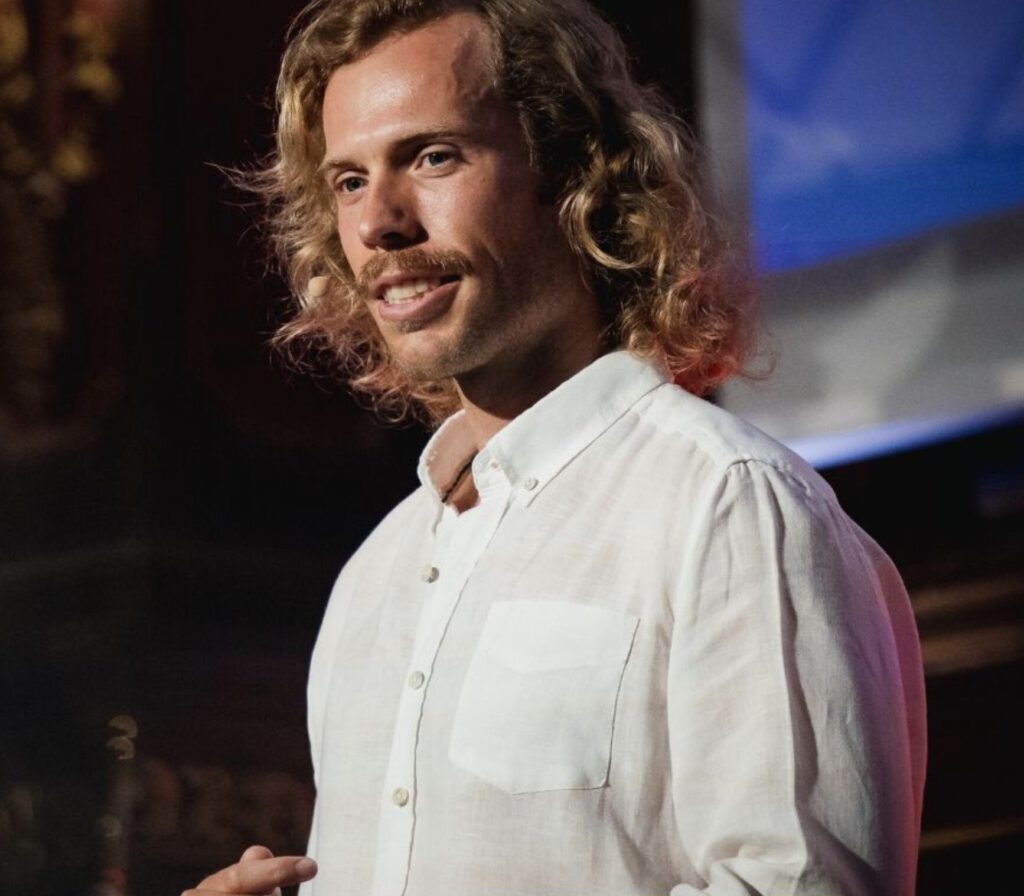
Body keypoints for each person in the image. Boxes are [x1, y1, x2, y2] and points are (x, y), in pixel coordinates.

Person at [186, 1, 926, 894]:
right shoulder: (372, 580)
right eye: (348, 180)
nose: (378, 221)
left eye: (432, 156)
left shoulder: (727, 505)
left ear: (578, 175)